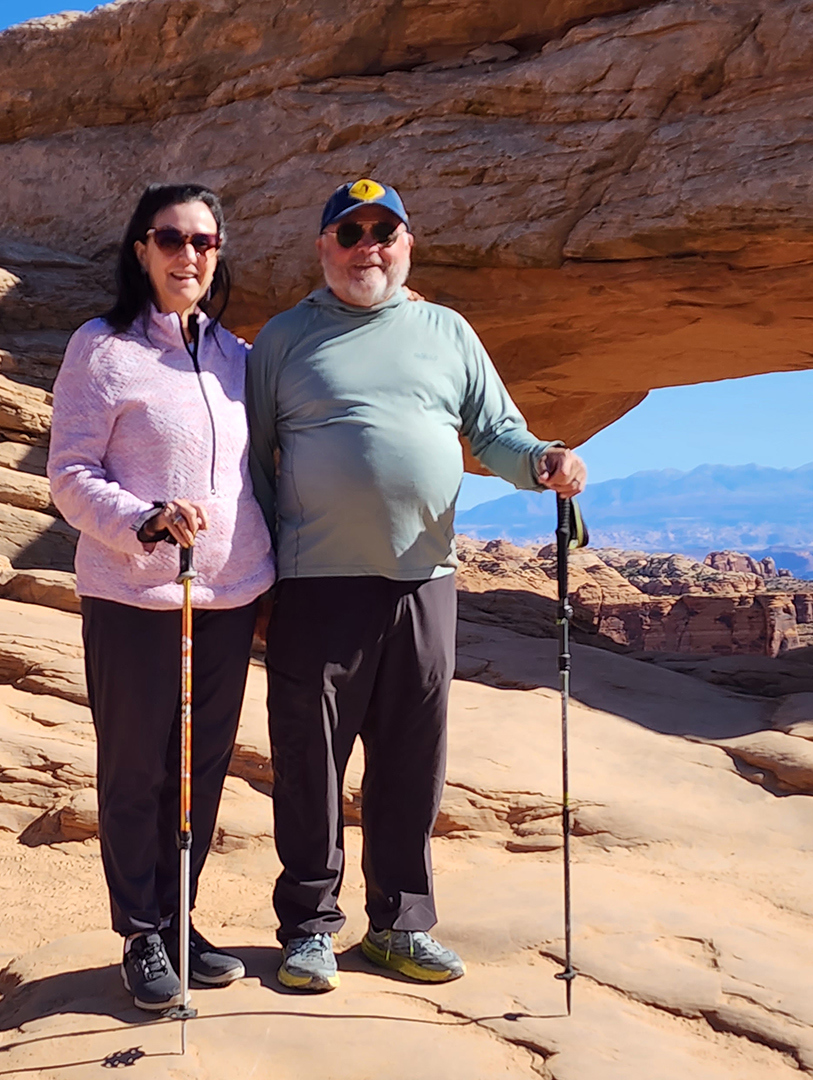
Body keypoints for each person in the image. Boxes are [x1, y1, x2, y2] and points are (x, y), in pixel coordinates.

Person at [246, 177, 587, 992]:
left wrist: (541, 462)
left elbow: (494, 430)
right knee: (310, 760)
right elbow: (254, 465)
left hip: (423, 582)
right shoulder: (284, 340)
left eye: (384, 233)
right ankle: (310, 930)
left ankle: (399, 925)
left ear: (408, 244)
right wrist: (258, 579)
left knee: (411, 760)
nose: (369, 246)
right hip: (316, 583)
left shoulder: (447, 331)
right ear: (324, 246)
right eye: (351, 232)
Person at [48, 183, 275, 1010]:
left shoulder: (238, 357)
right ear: (140, 248)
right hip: (136, 593)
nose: (189, 256)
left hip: (228, 592)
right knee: (138, 764)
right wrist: (140, 520)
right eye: (171, 239)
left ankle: (180, 919)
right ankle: (141, 931)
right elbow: (70, 474)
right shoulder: (103, 348)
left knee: (200, 769)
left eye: (205, 243)